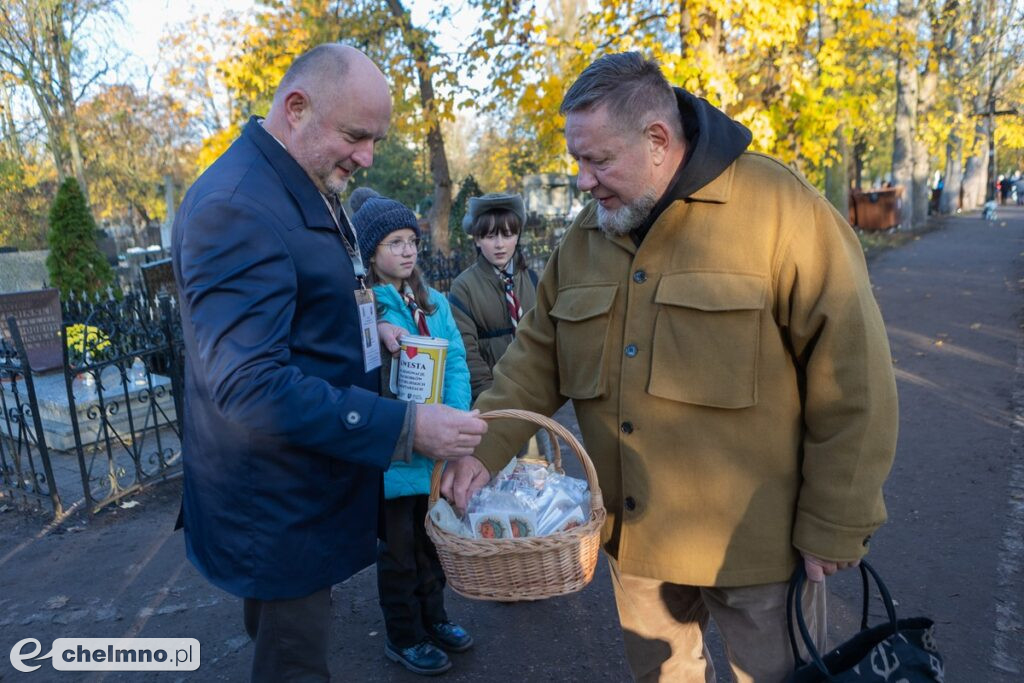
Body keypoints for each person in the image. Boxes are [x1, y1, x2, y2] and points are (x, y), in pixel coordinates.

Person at [441, 52, 899, 682]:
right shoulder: (586, 235)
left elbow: (855, 379)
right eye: (578, 160)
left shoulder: (779, 209)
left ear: (659, 139)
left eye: (598, 160)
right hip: (637, 547)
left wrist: (837, 521)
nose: (583, 180)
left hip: (757, 553)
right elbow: (533, 359)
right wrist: (479, 448)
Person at [171, 43, 486, 682]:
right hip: (278, 502)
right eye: (355, 136)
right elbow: (248, 384)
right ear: (296, 108)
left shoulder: (298, 180)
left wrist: (375, 331)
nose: (368, 157)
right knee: (293, 662)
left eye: (374, 139)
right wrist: (405, 428)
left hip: (308, 480)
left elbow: (318, 297)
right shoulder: (237, 205)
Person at [350, 188, 474, 676]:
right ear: (370, 253)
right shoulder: (366, 307)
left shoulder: (435, 302)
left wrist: (458, 418)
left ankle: (435, 618)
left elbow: (458, 361)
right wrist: (378, 322)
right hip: (396, 450)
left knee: (432, 544)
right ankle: (404, 635)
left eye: (411, 242)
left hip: (436, 446)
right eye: (394, 243)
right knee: (399, 551)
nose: (406, 251)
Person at [449, 193, 552, 459]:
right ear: (476, 239)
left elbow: (546, 334)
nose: (499, 245)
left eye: (507, 235)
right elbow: (465, 350)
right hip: (492, 399)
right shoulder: (464, 286)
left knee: (541, 470)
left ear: (517, 236)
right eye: (489, 236)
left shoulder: (530, 278)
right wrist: (493, 398)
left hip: (533, 394)